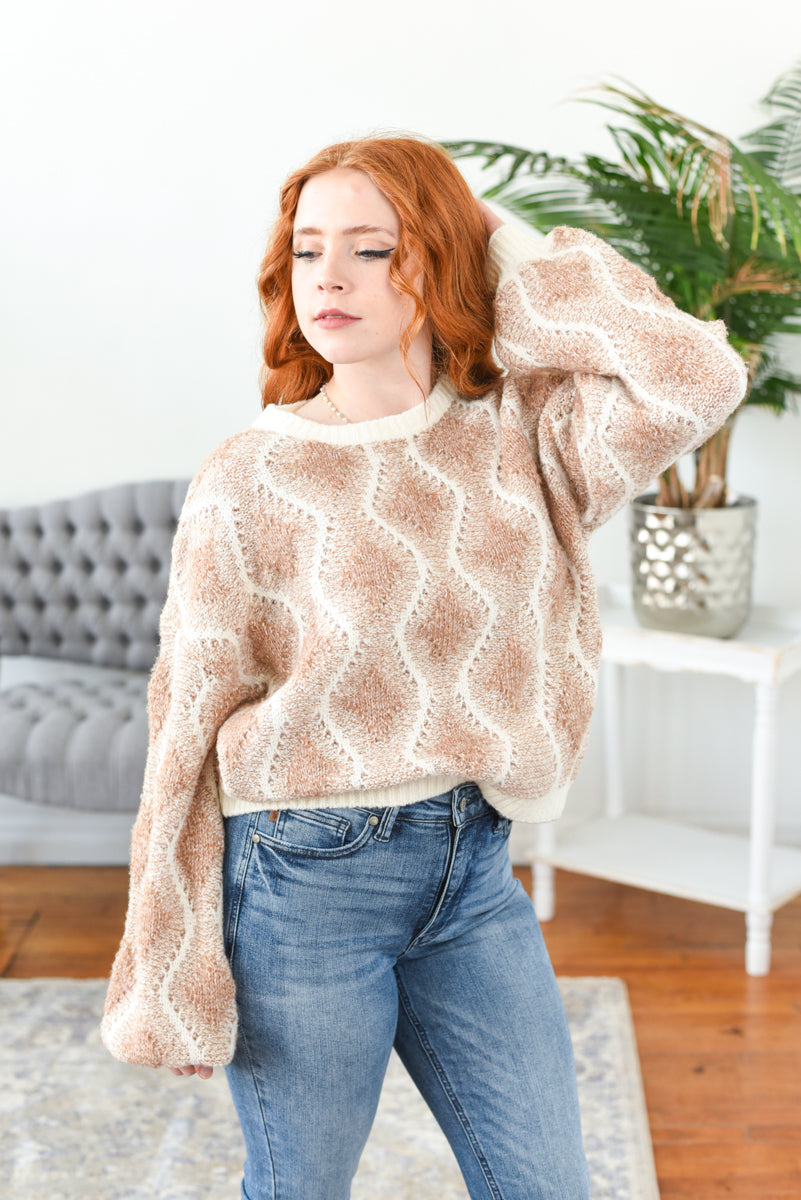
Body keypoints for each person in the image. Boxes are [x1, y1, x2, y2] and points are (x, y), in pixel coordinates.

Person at [101, 133, 747, 1199]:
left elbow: (697, 376)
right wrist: (171, 969)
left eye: (372, 248)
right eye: (309, 250)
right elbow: (185, 724)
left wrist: (501, 240)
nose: (329, 279)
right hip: (302, 881)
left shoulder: (524, 434)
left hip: (474, 873)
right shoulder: (250, 476)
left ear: (441, 260)